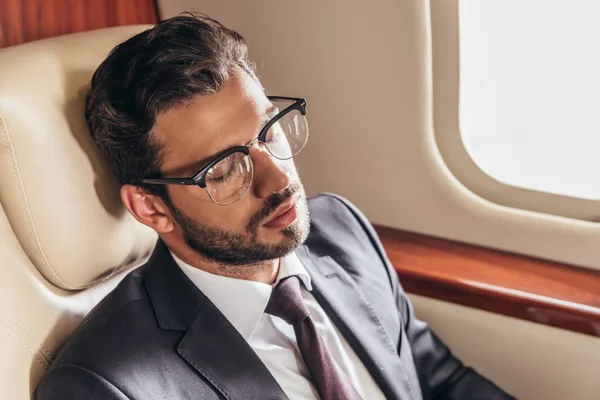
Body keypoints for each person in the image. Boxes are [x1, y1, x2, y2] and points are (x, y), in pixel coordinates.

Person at [35, 14, 514, 400]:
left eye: (270, 132)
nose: (281, 178)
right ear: (151, 208)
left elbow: (439, 382)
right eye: (223, 170)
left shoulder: (342, 231)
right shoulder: (104, 385)